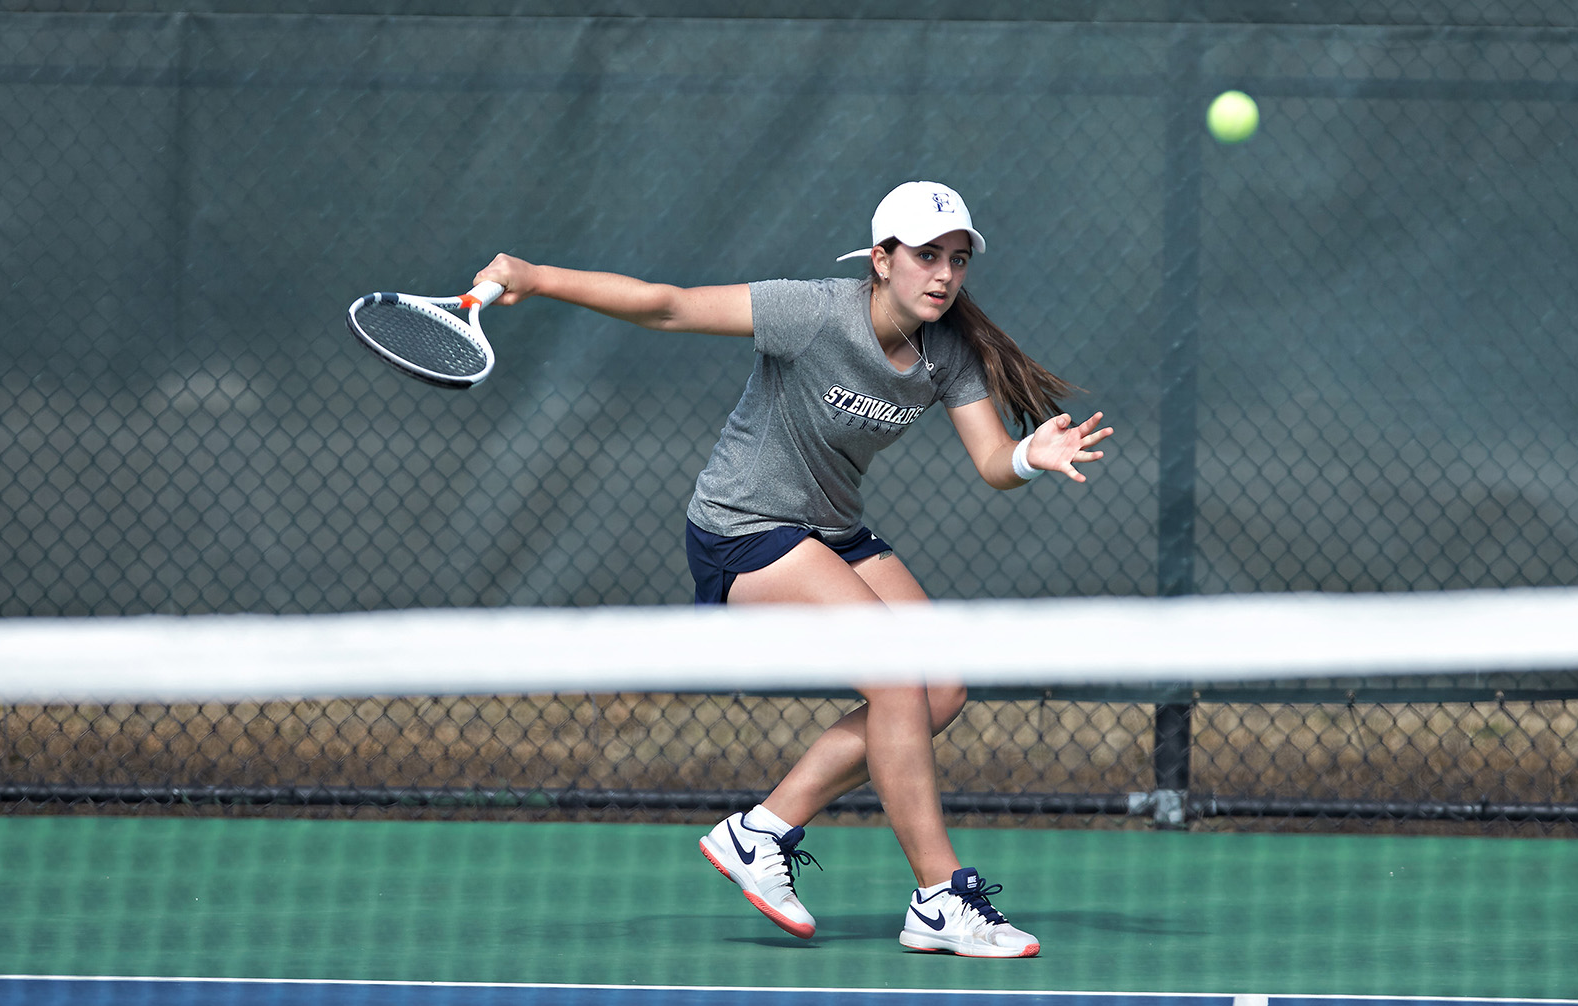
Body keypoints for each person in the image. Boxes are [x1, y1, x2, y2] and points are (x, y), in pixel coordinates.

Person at [475, 180, 1111, 959]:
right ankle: (940, 897)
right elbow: (665, 304)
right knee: (893, 672)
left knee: (939, 687)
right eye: (924, 256)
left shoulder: (947, 350)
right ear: (880, 260)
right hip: (743, 528)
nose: (943, 274)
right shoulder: (810, 311)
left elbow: (991, 461)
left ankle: (761, 831)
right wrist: (534, 277)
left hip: (832, 531)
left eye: (956, 258)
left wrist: (1029, 456)